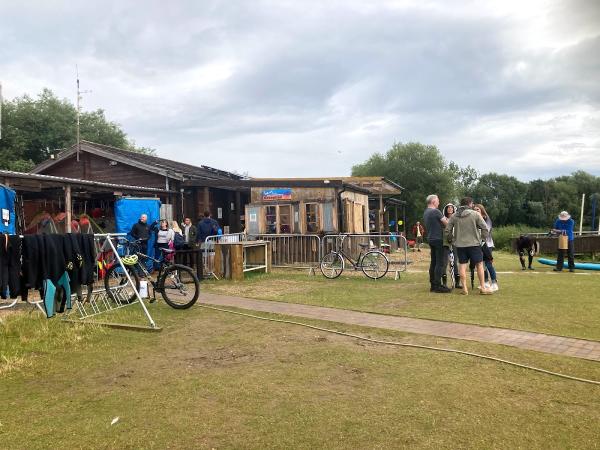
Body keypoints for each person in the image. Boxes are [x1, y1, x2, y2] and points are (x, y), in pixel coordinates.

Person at [446, 197, 492, 295]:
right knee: (479, 265)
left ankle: (464, 289)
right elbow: (485, 228)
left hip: (460, 245)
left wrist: (452, 240)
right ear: (470, 204)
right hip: (474, 244)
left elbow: (447, 230)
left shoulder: (454, 216)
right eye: (472, 204)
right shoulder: (475, 214)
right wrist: (482, 239)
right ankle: (483, 288)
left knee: (462, 266)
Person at [423, 194, 451, 293]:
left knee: (433, 262)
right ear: (434, 202)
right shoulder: (436, 211)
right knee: (440, 263)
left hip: (431, 239)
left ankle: (433, 285)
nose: (439, 202)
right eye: (438, 201)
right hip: (438, 239)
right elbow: (447, 223)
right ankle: (438, 285)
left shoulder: (426, 212)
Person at [474, 203, 498, 292]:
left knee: (488, 264)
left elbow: (485, 231)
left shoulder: (486, 219)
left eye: (477, 210)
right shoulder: (474, 219)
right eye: (474, 210)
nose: (475, 211)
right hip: (479, 245)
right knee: (482, 265)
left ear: (482, 211)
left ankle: (494, 283)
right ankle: (486, 282)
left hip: (487, 245)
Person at [442, 203, 461, 289]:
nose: (450, 209)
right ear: (446, 209)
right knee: (445, 262)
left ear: (454, 209)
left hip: (455, 242)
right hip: (445, 242)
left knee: (455, 262)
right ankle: (444, 283)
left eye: (451, 207)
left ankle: (457, 283)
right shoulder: (443, 219)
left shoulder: (457, 219)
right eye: (448, 208)